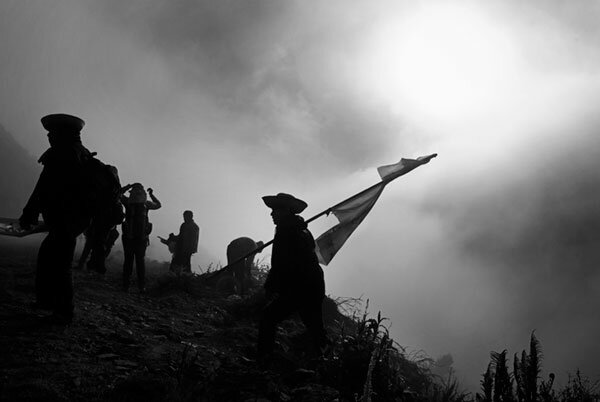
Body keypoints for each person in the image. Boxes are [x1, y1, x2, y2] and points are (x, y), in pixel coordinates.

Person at [19, 113, 94, 324]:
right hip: (76, 219)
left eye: (52, 133)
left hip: (65, 219)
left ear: (62, 133)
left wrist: (29, 212)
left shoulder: (61, 153)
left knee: (59, 264)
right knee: (50, 258)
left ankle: (63, 311)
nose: (49, 137)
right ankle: (48, 302)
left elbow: (43, 186)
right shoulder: (82, 154)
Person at [257, 193, 328, 361]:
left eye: (276, 210)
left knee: (268, 317)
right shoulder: (301, 228)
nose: (272, 214)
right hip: (312, 283)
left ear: (285, 211)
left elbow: (281, 263)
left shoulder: (286, 230)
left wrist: (270, 287)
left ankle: (263, 359)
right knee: (314, 324)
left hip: (301, 285)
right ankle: (326, 359)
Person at [120, 183, 161, 292]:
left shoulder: (128, 202)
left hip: (130, 238)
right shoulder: (146, 204)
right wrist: (151, 194)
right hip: (140, 239)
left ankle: (126, 285)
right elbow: (158, 205)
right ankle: (140, 286)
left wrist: (129, 186)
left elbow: (118, 193)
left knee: (129, 262)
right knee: (139, 262)